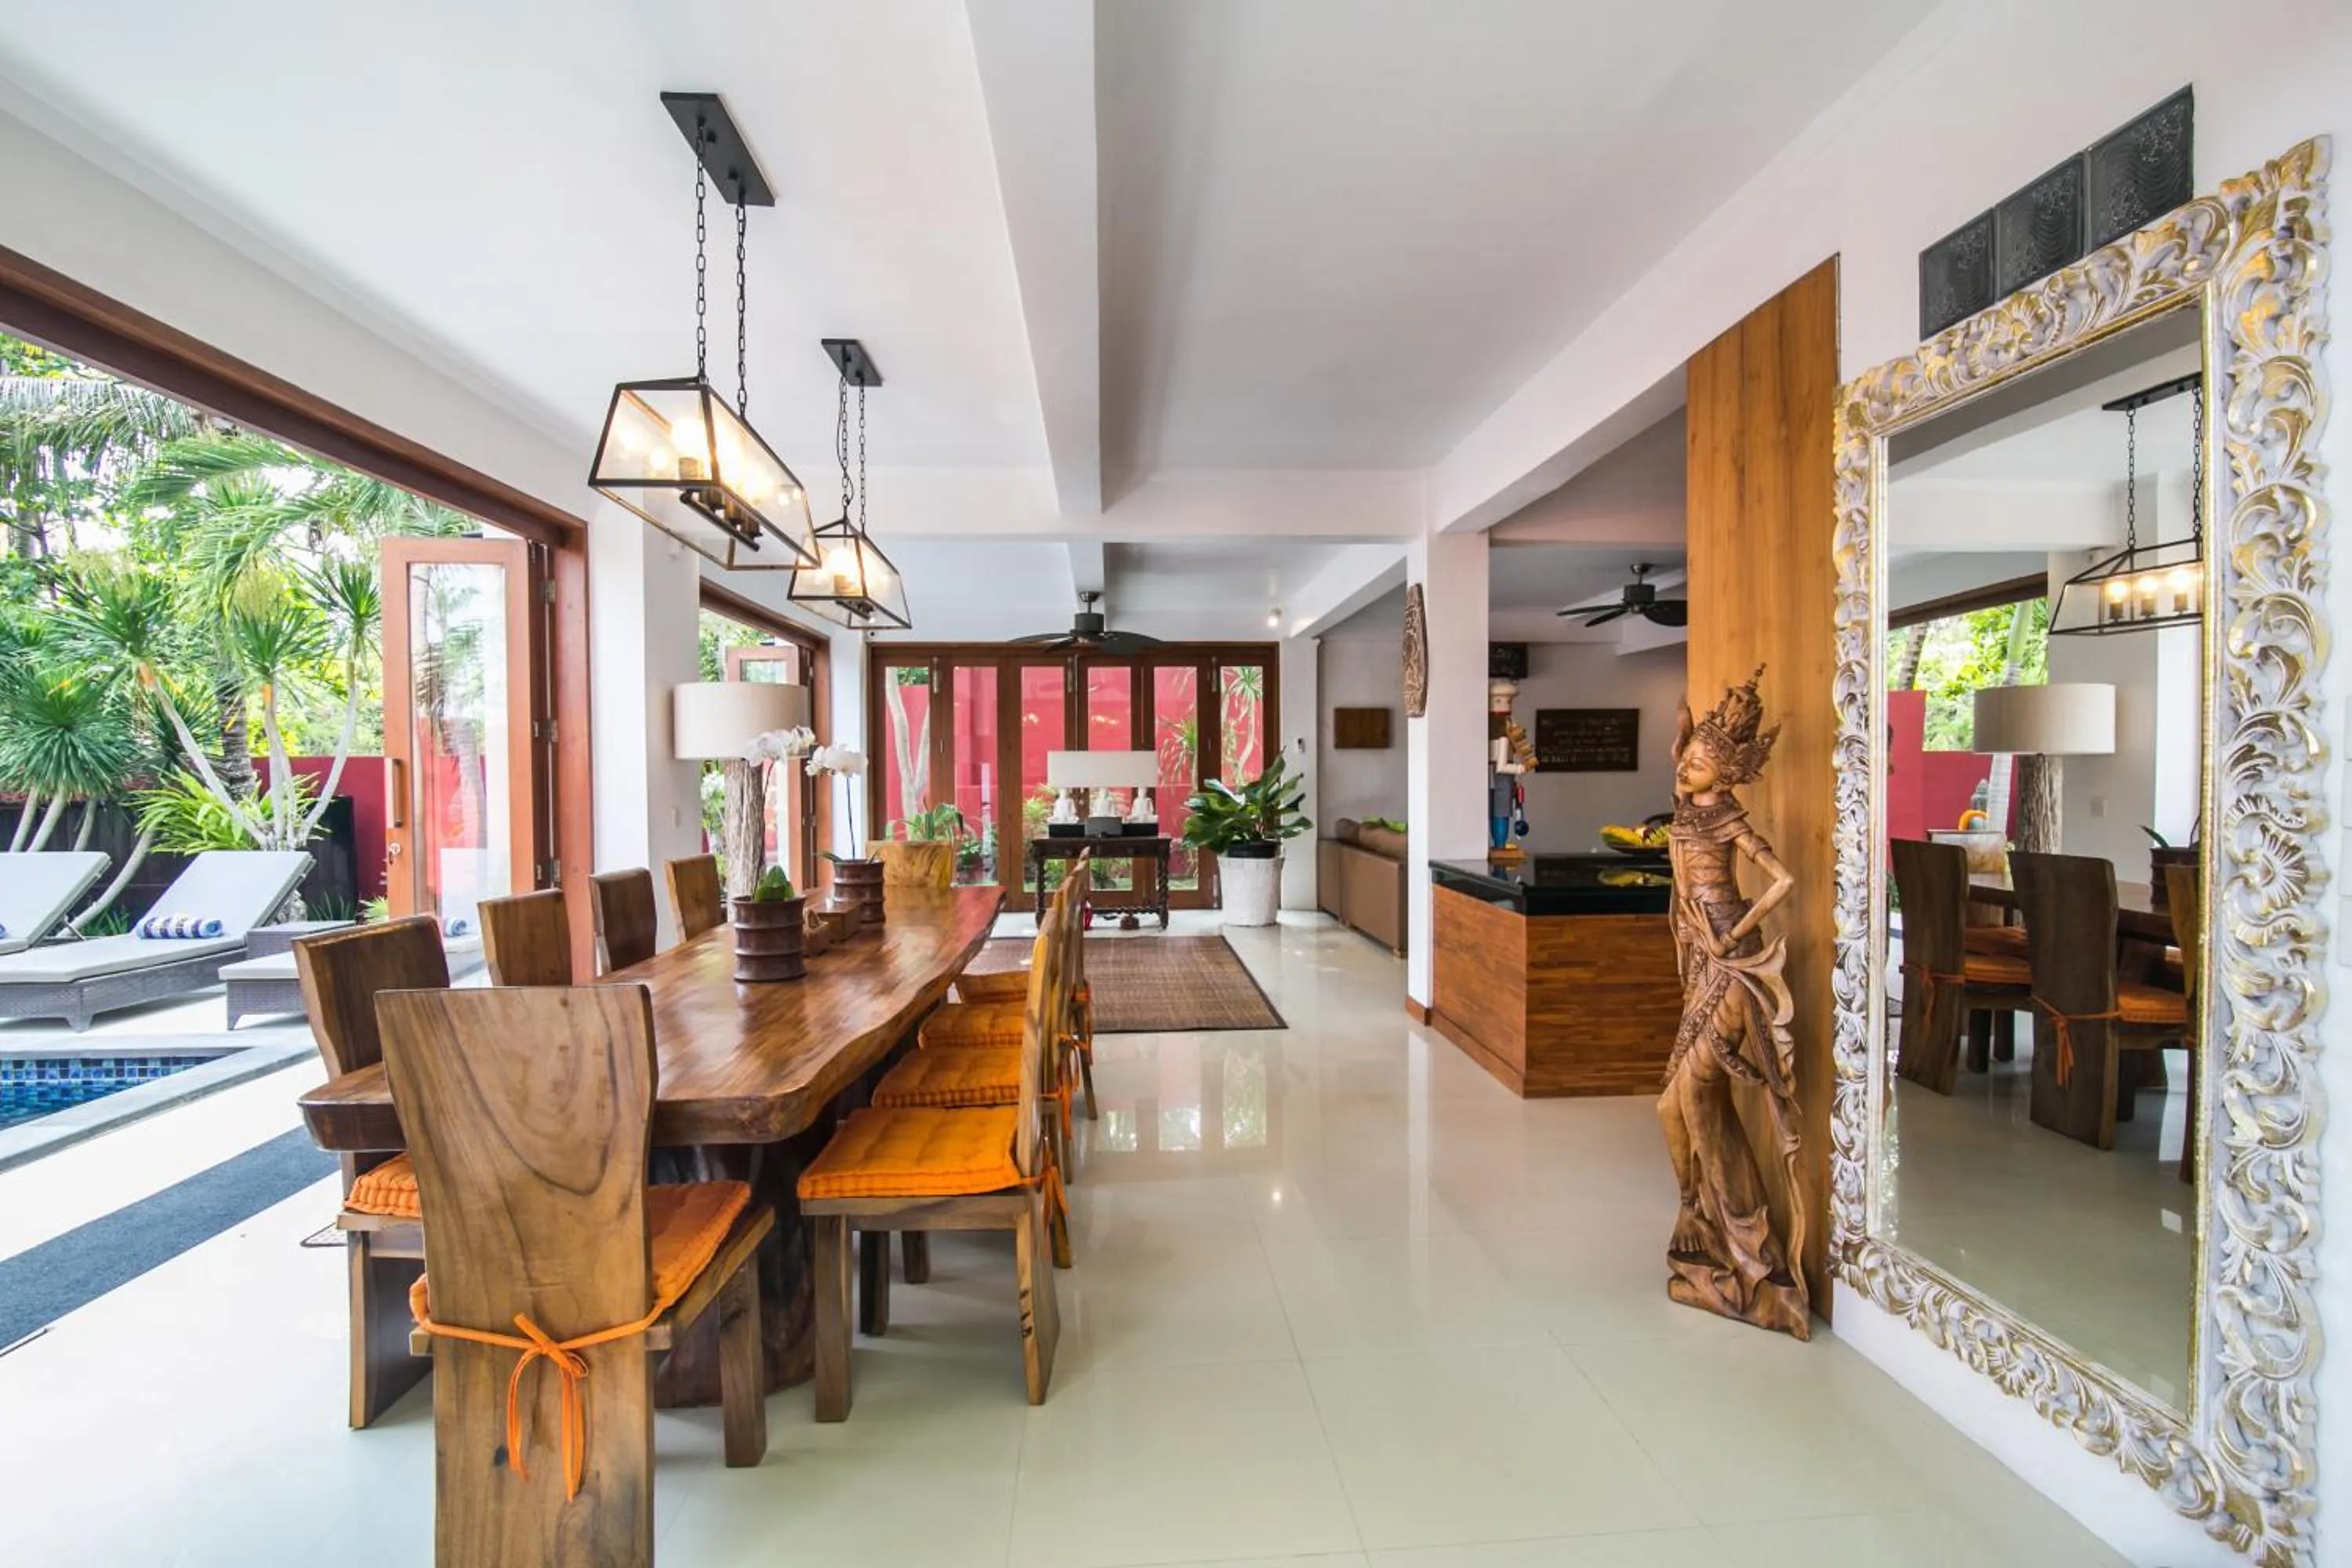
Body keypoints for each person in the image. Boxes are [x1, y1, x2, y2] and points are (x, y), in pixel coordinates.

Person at [1657, 667, 1809, 1338]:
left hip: (1727, 958)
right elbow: (1677, 764)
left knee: (1695, 1095)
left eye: (1699, 763)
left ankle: (1747, 1250)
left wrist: (1736, 930)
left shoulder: (1727, 819)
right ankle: (1698, 1215)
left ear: (1726, 773)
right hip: (1697, 956)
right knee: (1674, 1101)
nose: (1687, 766)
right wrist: (1688, 730)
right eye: (1688, 760)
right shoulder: (1689, 806)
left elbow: (1781, 880)